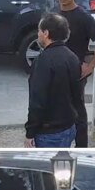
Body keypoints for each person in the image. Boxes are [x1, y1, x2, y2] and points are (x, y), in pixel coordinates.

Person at [54, 0, 95, 147]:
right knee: (57, 109)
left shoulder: (83, 17)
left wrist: (91, 65)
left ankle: (81, 146)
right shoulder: (54, 14)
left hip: (77, 72)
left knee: (77, 111)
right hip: (56, 70)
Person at [25, 13, 84, 148]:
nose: (38, 34)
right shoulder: (72, 57)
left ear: (46, 33)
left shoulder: (43, 61)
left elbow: (37, 101)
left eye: (39, 31)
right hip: (69, 127)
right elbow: (77, 95)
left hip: (49, 133)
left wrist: (30, 133)